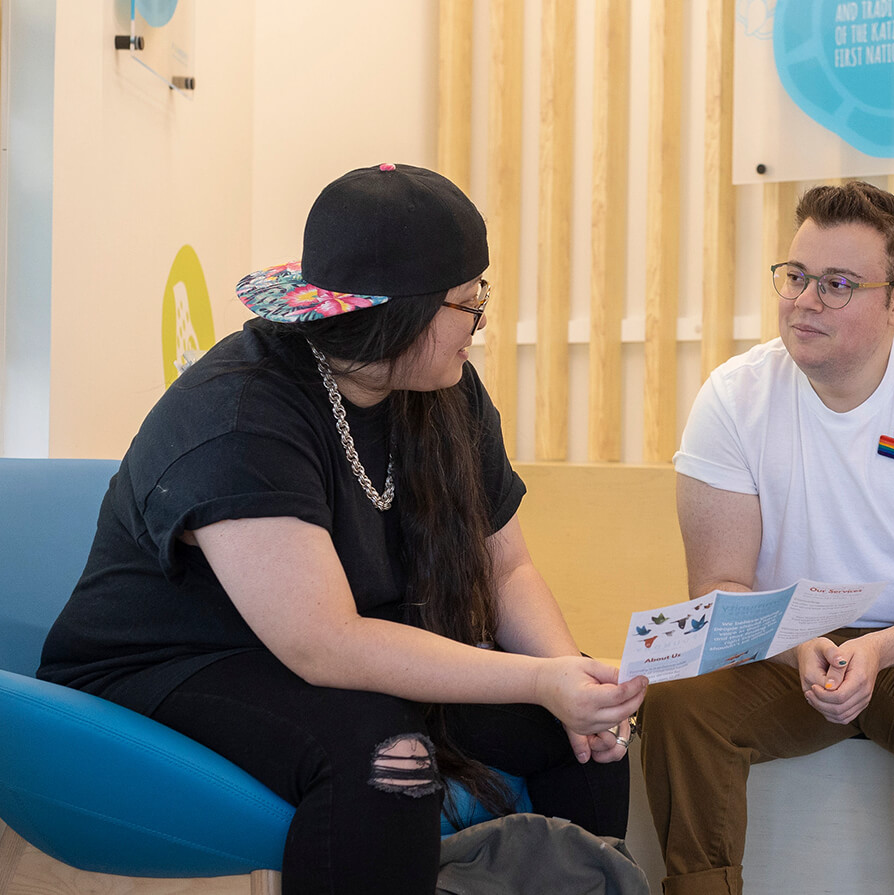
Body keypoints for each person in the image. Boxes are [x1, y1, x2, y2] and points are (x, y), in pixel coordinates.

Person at [39, 163, 648, 895]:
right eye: (468, 299)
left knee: (579, 737)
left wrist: (569, 682)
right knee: (386, 754)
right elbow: (323, 643)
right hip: (174, 665)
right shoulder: (239, 412)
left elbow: (505, 567)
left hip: (344, 648)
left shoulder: (441, 388)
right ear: (403, 313)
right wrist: (541, 679)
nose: (481, 318)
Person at [639, 181, 894, 895]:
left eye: (836, 283)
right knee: (675, 702)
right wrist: (795, 645)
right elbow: (719, 585)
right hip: (785, 640)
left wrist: (878, 648)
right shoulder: (732, 396)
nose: (803, 300)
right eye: (794, 276)